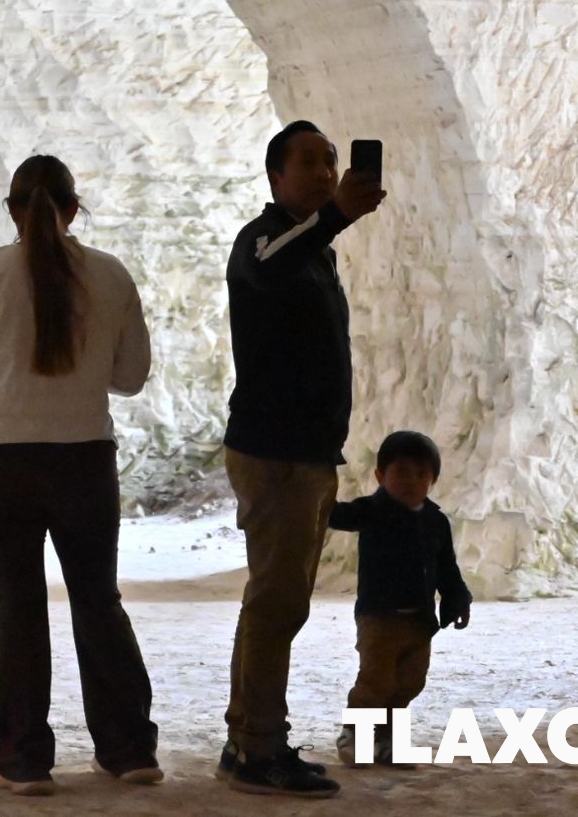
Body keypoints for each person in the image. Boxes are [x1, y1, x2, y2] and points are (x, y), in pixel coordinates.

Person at [0, 155, 161, 797]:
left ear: (13, 211)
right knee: (97, 601)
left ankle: (25, 760)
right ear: (73, 208)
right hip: (82, 460)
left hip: (0, 460)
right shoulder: (110, 274)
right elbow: (130, 377)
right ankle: (128, 749)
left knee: (20, 608)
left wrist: (4, 379)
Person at [218, 120, 386, 797]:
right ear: (275, 177)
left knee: (280, 603)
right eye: (309, 162)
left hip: (305, 455)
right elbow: (269, 266)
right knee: (276, 604)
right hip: (276, 453)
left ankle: (250, 739)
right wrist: (336, 215)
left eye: (331, 162)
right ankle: (256, 749)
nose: (324, 173)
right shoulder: (261, 240)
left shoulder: (315, 250)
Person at [328, 430, 472, 765]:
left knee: (410, 681)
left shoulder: (436, 522)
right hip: (378, 617)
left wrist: (458, 598)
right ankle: (355, 735)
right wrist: (313, 494)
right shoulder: (371, 511)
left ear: (433, 480)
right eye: (402, 472)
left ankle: (388, 739)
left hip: (420, 620)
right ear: (380, 476)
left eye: (422, 474)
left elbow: (447, 567)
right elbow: (334, 515)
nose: (412, 481)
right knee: (376, 680)